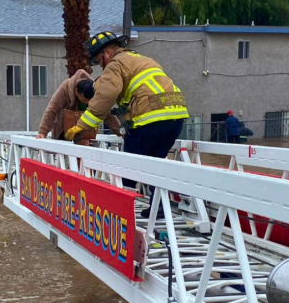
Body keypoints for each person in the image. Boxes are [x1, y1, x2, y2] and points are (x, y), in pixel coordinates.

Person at [66, 31, 188, 211]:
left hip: (150, 119)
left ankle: (123, 210)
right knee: (157, 163)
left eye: (99, 61)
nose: (101, 66)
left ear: (107, 53)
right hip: (176, 116)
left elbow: (105, 97)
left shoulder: (115, 65)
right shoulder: (142, 60)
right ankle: (159, 207)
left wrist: (81, 126)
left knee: (127, 166)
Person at [37, 70, 121, 140]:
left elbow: (107, 113)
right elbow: (52, 109)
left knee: (85, 157)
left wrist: (120, 132)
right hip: (63, 132)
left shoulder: (96, 91)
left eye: (89, 101)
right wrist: (43, 132)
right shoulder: (65, 88)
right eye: (84, 100)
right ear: (76, 91)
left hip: (86, 134)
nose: (86, 103)